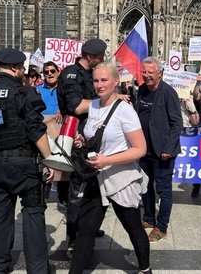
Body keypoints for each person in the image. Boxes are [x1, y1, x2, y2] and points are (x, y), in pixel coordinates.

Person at [0, 48, 54, 273]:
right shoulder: (24, 93)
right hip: (24, 163)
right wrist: (50, 161)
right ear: (15, 68)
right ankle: (37, 269)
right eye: (22, 69)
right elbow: (36, 130)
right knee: (33, 213)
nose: (24, 73)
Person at [69, 63, 151, 274]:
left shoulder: (125, 110)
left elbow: (140, 149)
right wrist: (82, 141)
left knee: (133, 228)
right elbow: (93, 138)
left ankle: (145, 269)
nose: (99, 85)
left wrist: (108, 160)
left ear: (116, 82)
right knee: (86, 229)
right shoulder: (93, 105)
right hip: (96, 177)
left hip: (120, 179)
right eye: (96, 80)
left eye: (104, 80)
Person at [56, 38, 117, 253]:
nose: (103, 60)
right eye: (100, 57)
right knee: (78, 192)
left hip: (92, 138)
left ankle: (88, 228)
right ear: (90, 57)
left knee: (93, 188)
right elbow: (76, 106)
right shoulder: (71, 74)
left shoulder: (90, 73)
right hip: (77, 140)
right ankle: (74, 238)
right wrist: (109, 99)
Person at [135, 57, 182, 243]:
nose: (146, 76)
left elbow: (177, 123)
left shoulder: (168, 93)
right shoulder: (142, 90)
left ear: (160, 74)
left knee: (164, 191)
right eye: (144, 72)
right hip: (144, 149)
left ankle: (161, 227)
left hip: (163, 152)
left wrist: (168, 149)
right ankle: (148, 218)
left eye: (150, 72)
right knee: (145, 187)